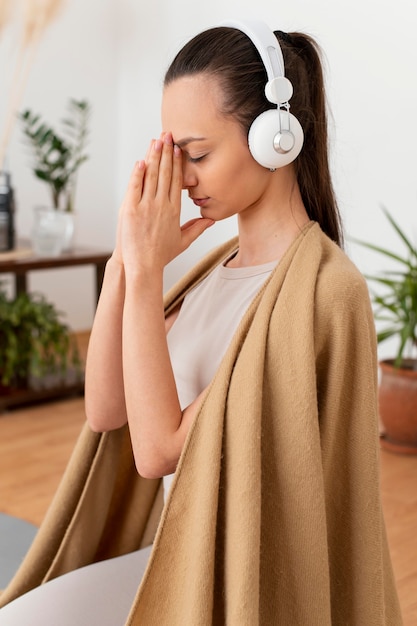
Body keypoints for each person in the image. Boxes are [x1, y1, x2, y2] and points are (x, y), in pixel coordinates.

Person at [0, 18, 403, 626]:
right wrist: (130, 261)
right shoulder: (213, 272)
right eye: (173, 154)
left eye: (197, 154)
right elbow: (107, 411)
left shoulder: (323, 291)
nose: (183, 178)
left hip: (243, 580)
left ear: (275, 138)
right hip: (182, 553)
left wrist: (147, 271)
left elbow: (158, 451)